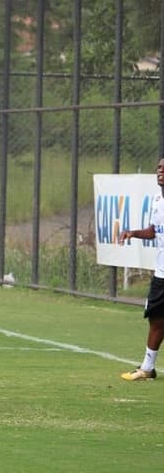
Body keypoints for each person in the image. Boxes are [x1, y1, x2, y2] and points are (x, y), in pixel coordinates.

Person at [117, 156, 164, 381]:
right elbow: (154, 231)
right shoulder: (157, 200)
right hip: (161, 273)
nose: (160, 171)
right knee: (156, 319)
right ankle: (147, 368)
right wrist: (133, 233)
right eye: (159, 167)